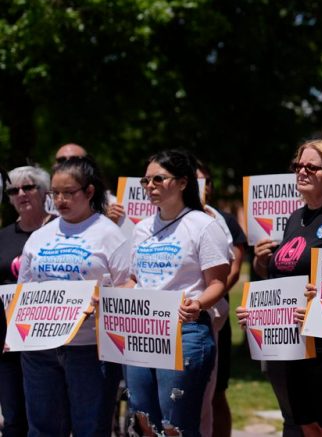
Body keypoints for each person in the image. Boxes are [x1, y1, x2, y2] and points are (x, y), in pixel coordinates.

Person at [239, 139, 322, 436]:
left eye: (312, 166)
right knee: (308, 428)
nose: (302, 172)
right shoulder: (296, 218)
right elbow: (281, 280)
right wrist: (256, 313)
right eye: (299, 166)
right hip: (293, 349)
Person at [17, 156, 130, 437]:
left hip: (89, 350)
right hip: (39, 349)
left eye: (69, 193)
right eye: (55, 193)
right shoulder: (40, 237)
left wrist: (107, 301)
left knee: (90, 429)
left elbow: (129, 286)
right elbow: (23, 290)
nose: (60, 200)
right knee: (43, 430)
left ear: (90, 192)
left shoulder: (110, 235)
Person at [124, 149, 230, 437]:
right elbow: (135, 279)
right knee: (144, 421)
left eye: (159, 179)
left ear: (183, 183)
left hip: (186, 331)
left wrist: (197, 303)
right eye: (145, 181)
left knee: (176, 426)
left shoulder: (203, 225)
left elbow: (218, 283)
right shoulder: (141, 229)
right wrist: (113, 299)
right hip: (142, 332)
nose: (150, 187)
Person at [195, 161, 246, 437]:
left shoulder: (225, 222)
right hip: (178, 319)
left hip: (214, 319)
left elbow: (234, 271)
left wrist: (204, 297)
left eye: (201, 181)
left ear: (210, 188)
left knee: (216, 392)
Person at [0, 166, 52, 437]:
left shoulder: (61, 231)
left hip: (54, 342)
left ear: (45, 192)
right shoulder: (2, 238)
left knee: (49, 420)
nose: (21, 194)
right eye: (13, 190)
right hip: (10, 343)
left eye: (28, 187)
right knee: (14, 418)